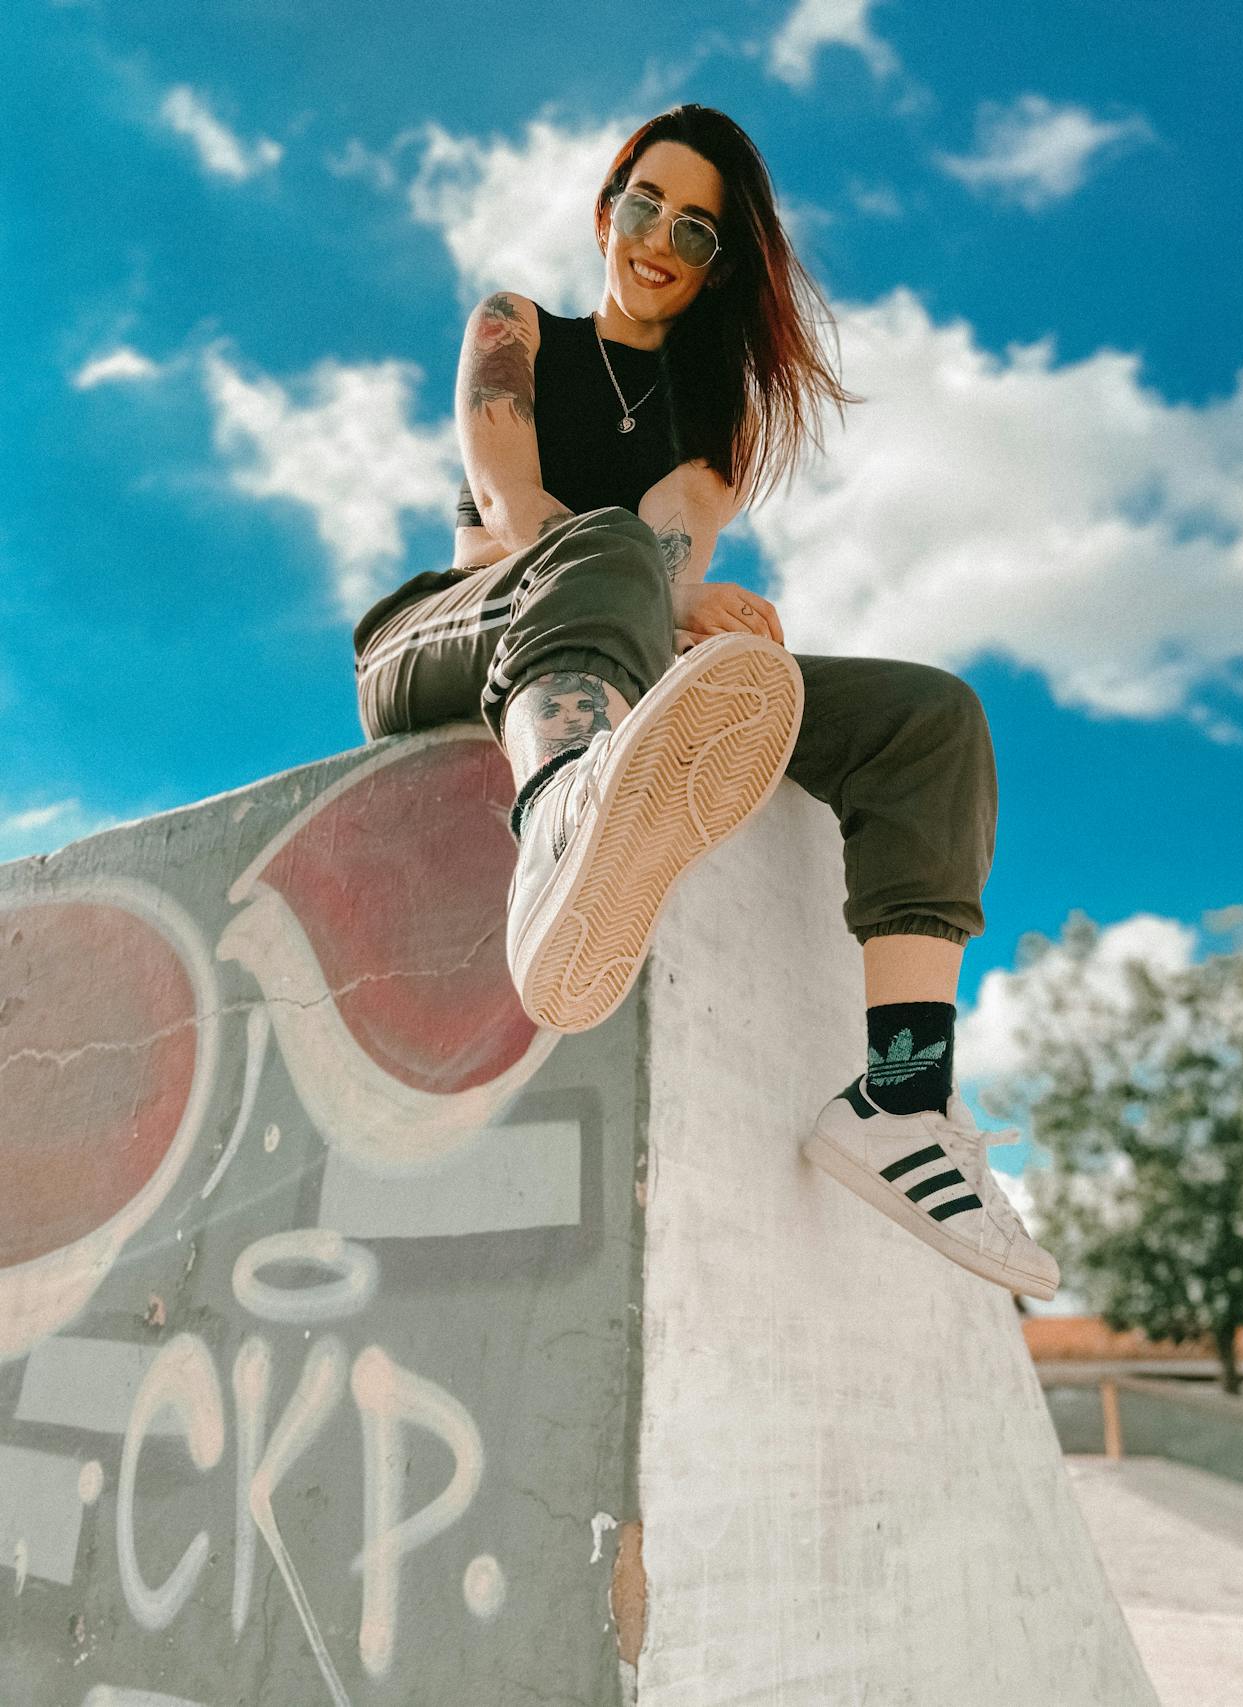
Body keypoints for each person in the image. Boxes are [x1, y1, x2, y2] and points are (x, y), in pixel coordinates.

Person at [352, 104, 1058, 1304]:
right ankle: (563, 820)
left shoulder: (707, 418)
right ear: (605, 212)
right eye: (645, 205)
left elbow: (663, 583)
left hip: (618, 649)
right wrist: (673, 598)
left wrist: (680, 610)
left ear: (717, 265)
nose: (659, 240)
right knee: (603, 550)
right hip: (452, 639)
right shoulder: (514, 330)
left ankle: (900, 1097)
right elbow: (514, 512)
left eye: (696, 229)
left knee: (928, 718)